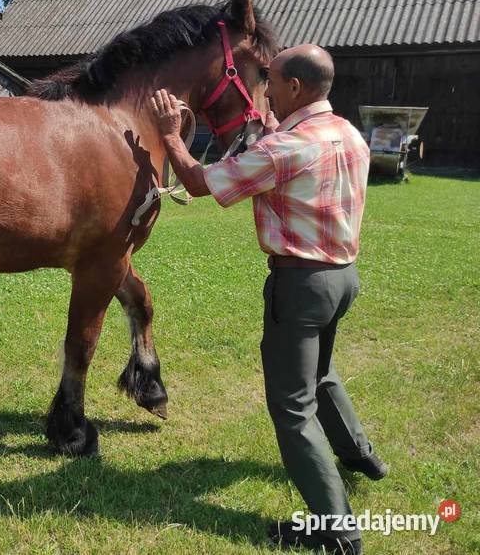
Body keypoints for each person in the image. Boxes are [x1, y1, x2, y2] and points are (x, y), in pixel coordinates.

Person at [150, 44, 387, 554]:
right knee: (321, 373)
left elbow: (199, 182)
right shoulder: (348, 133)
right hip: (343, 277)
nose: (264, 95)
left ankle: (337, 532)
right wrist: (276, 128)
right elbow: (294, 153)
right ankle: (360, 455)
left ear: (295, 87)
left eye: (271, 83)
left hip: (300, 286)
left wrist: (170, 135)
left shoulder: (283, 149)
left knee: (293, 407)